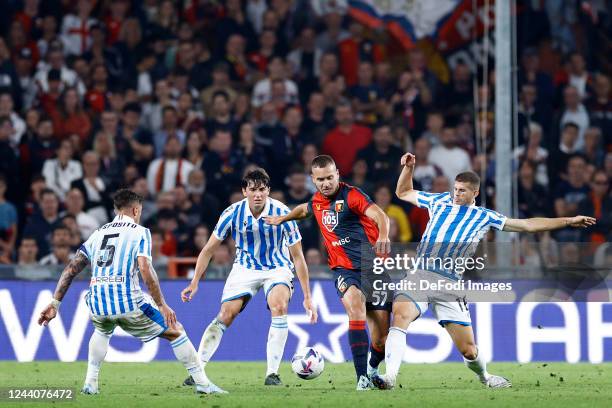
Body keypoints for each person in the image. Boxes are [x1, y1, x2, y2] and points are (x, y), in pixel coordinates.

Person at [371, 152, 596, 390]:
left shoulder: (484, 216)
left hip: (450, 284)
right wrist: (408, 168)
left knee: (468, 350)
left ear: (475, 193)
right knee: (401, 316)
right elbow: (403, 192)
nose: (456, 194)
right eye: (455, 189)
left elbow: (528, 225)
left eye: (462, 191)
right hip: (421, 275)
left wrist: (569, 221)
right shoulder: (438, 201)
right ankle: (390, 378)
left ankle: (485, 377)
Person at [37, 189, 226, 395]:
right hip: (127, 301)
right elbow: (145, 268)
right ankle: (203, 385)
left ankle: (90, 384)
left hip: (97, 302)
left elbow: (72, 269)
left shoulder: (98, 233)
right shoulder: (140, 232)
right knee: (175, 330)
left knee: (102, 330)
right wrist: (162, 305)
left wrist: (55, 303)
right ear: (136, 210)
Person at [265, 155, 392, 390]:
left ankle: (373, 370)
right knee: (355, 307)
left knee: (382, 340)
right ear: (313, 180)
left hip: (373, 267)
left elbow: (380, 216)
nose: (326, 183)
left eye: (330, 177)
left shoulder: (352, 195)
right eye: (321, 179)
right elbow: (305, 210)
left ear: (338, 175)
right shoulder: (317, 201)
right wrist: (283, 218)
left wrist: (383, 235)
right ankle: (362, 377)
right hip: (344, 269)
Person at [180, 169, 317, 387]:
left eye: (262, 190)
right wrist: (195, 281)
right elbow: (208, 250)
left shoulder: (282, 212)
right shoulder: (232, 213)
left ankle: (272, 374)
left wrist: (307, 296)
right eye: (252, 190)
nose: (258, 195)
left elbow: (298, 257)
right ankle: (198, 369)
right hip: (245, 268)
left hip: (277, 267)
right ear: (244, 191)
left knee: (279, 306)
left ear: (268, 191)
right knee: (226, 314)